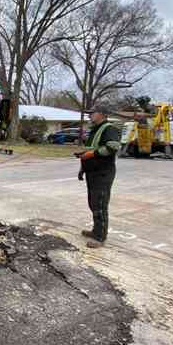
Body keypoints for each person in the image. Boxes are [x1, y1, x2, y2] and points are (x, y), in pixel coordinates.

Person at [76, 105, 121, 248]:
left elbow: (112, 147)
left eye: (92, 113)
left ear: (102, 114)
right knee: (93, 203)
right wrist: (83, 167)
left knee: (100, 204)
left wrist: (90, 154)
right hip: (92, 172)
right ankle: (96, 231)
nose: (90, 116)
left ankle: (100, 237)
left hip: (103, 172)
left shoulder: (109, 129)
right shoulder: (95, 129)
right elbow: (91, 149)